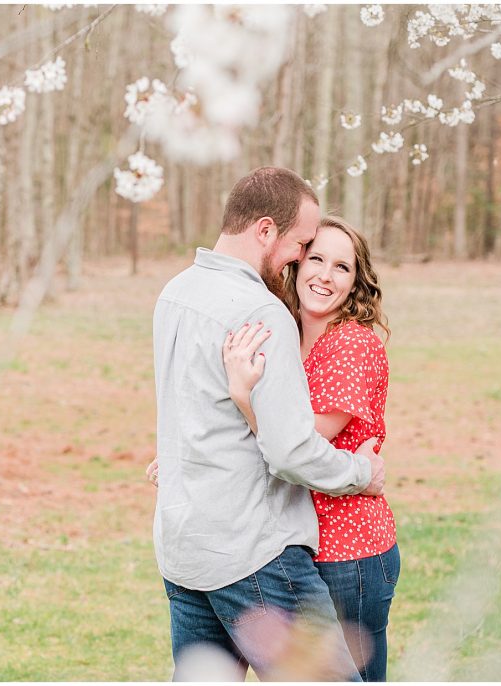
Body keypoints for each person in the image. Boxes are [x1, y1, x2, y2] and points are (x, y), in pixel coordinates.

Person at [151, 167, 386, 681]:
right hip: (253, 553)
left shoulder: (176, 292)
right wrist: (361, 474)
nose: (300, 259)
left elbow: (191, 411)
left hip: (183, 549)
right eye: (301, 244)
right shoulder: (262, 312)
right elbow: (290, 449)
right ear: (264, 231)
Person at [222, 215, 399, 681]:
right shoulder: (284, 334)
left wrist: (243, 400)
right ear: (296, 265)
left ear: (355, 282)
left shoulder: (353, 345)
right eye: (316, 259)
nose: (324, 275)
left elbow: (304, 437)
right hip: (295, 545)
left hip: (349, 551)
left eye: (341, 267)